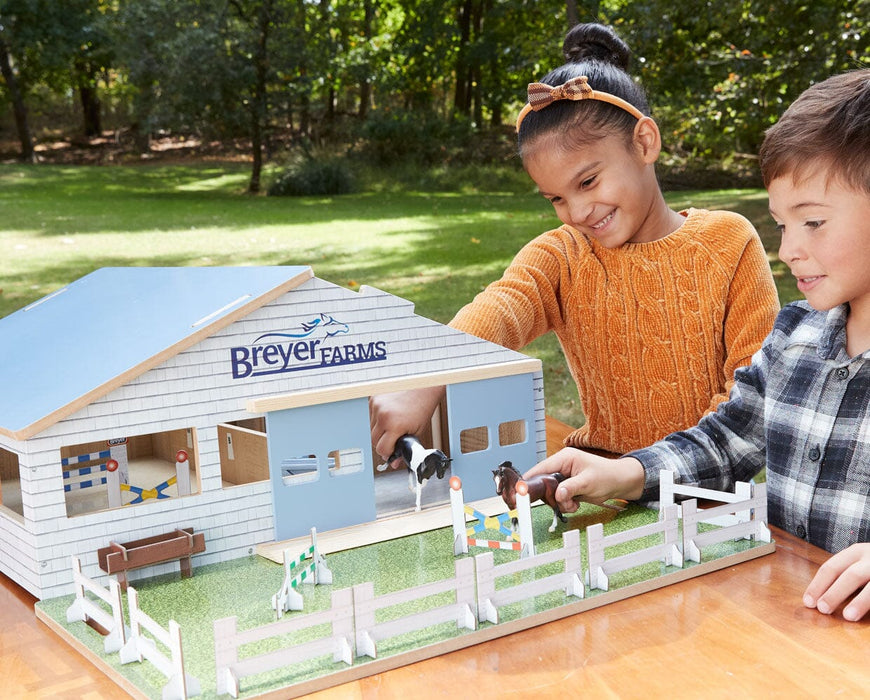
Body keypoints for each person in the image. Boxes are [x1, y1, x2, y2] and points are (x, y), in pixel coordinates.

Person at [525, 69, 870, 622]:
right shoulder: (793, 336)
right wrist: (628, 474)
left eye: (813, 223)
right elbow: (728, 441)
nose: (789, 252)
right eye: (782, 226)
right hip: (784, 625)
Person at [370, 23, 779, 461]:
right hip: (597, 483)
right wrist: (429, 379)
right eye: (557, 198)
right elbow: (497, 310)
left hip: (708, 497)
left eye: (588, 181)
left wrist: (648, 472)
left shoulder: (727, 242)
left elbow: (754, 402)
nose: (578, 212)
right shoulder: (561, 256)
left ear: (644, 142)